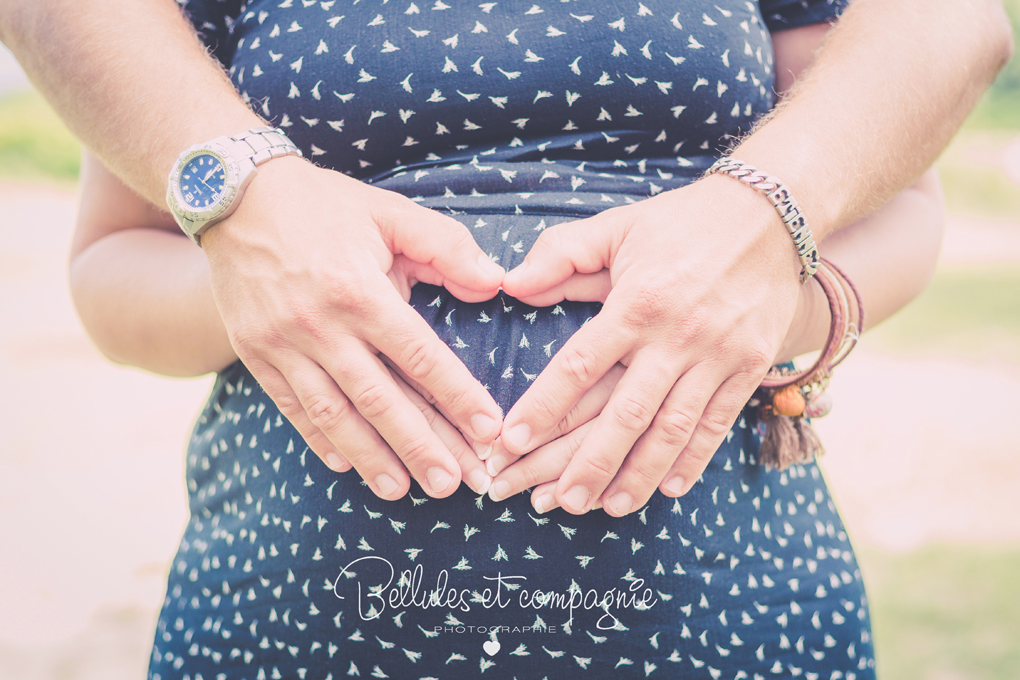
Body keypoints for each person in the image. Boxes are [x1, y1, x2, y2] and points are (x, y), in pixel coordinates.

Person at [2, 0, 1012, 677]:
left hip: (732, 620)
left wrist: (774, 296)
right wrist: (268, 279)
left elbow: (902, 204)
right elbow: (110, 269)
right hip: (287, 626)